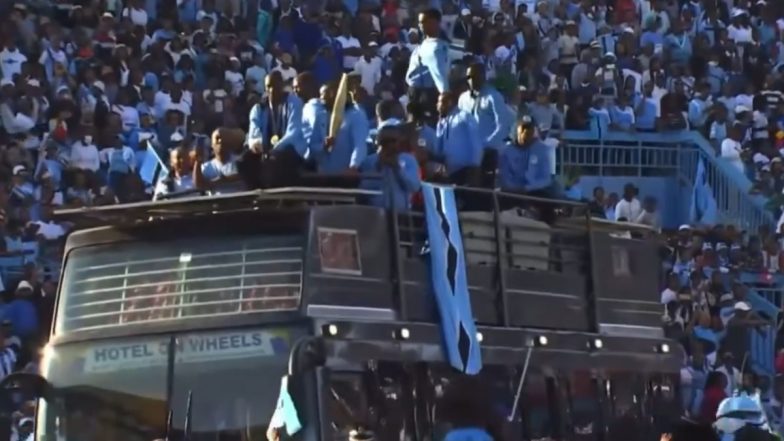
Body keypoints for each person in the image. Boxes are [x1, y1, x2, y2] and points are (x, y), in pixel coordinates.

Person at [246, 70, 306, 188]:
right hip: (266, 149)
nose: (272, 90)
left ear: (283, 86)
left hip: (289, 149)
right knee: (245, 160)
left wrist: (274, 149)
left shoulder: (294, 103)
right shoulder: (259, 108)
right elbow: (254, 131)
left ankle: (284, 199)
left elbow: (293, 133)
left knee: (280, 159)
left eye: (276, 85)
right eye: (269, 86)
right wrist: (257, 144)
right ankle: (255, 196)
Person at [458, 63, 510, 188]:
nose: (471, 80)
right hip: (468, 151)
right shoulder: (463, 98)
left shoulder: (494, 97)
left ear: (482, 76)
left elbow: (503, 125)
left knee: (485, 187)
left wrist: (485, 144)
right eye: (468, 77)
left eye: (474, 76)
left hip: (487, 151)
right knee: (467, 186)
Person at [358, 125, 421, 212]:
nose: (390, 145)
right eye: (386, 141)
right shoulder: (369, 161)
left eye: (394, 141)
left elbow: (414, 186)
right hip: (375, 213)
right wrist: (378, 168)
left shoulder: (408, 160)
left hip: (401, 214)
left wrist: (397, 169)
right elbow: (363, 189)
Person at [430, 91, 483, 187]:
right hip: (450, 171)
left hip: (465, 170)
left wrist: (475, 165)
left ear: (449, 102)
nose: (437, 105)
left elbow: (476, 142)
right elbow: (439, 148)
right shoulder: (443, 122)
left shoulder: (464, 117)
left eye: (440, 102)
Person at [405, 9, 450, 121]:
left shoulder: (435, 48)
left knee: (424, 126)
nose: (420, 25)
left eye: (423, 22)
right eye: (419, 22)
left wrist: (444, 94)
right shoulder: (426, 42)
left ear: (434, 23)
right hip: (415, 92)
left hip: (424, 93)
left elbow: (439, 72)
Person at [295, 73, 328, 167]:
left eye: (297, 87)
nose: (295, 91)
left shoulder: (313, 108)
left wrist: (323, 146)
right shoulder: (304, 106)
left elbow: (321, 133)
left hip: (313, 162)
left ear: (307, 86)